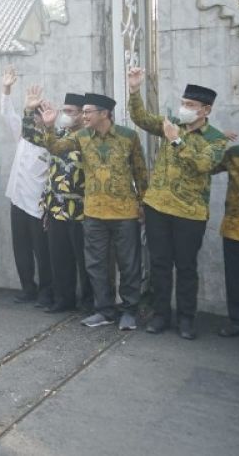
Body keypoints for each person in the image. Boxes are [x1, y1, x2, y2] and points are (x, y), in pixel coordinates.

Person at [128, 69, 228, 339]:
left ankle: (186, 318)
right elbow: (140, 118)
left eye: (190, 105)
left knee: (186, 267)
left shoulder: (216, 139)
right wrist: (135, 91)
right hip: (158, 208)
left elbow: (204, 164)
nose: (183, 109)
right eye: (183, 103)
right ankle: (161, 315)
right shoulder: (171, 123)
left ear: (205, 110)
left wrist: (176, 140)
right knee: (160, 264)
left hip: (190, 213)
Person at [39, 92, 147, 331]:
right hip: (94, 213)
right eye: (83, 112)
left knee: (129, 264)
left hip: (124, 212)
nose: (84, 115)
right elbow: (56, 148)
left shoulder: (129, 137)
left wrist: (143, 203)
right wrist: (48, 127)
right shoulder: (82, 136)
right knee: (96, 265)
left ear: (104, 114)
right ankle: (104, 310)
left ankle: (130, 311)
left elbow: (140, 171)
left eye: (88, 112)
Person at [22, 90, 93, 314]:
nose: (65, 115)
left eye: (70, 112)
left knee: (86, 260)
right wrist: (29, 110)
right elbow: (30, 135)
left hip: (82, 208)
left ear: (83, 114)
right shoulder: (58, 134)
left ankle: (90, 302)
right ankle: (64, 299)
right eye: (64, 110)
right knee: (60, 257)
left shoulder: (88, 136)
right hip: (56, 207)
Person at [1, 67, 53, 308]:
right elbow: (6, 114)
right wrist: (7, 89)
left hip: (38, 204)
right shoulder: (22, 136)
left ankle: (46, 292)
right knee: (20, 248)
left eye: (38, 115)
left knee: (42, 252)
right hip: (17, 200)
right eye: (32, 116)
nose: (34, 120)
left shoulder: (52, 142)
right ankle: (27, 288)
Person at [214, 119, 239, 337]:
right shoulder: (235, 154)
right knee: (236, 278)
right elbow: (206, 166)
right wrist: (216, 140)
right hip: (236, 227)